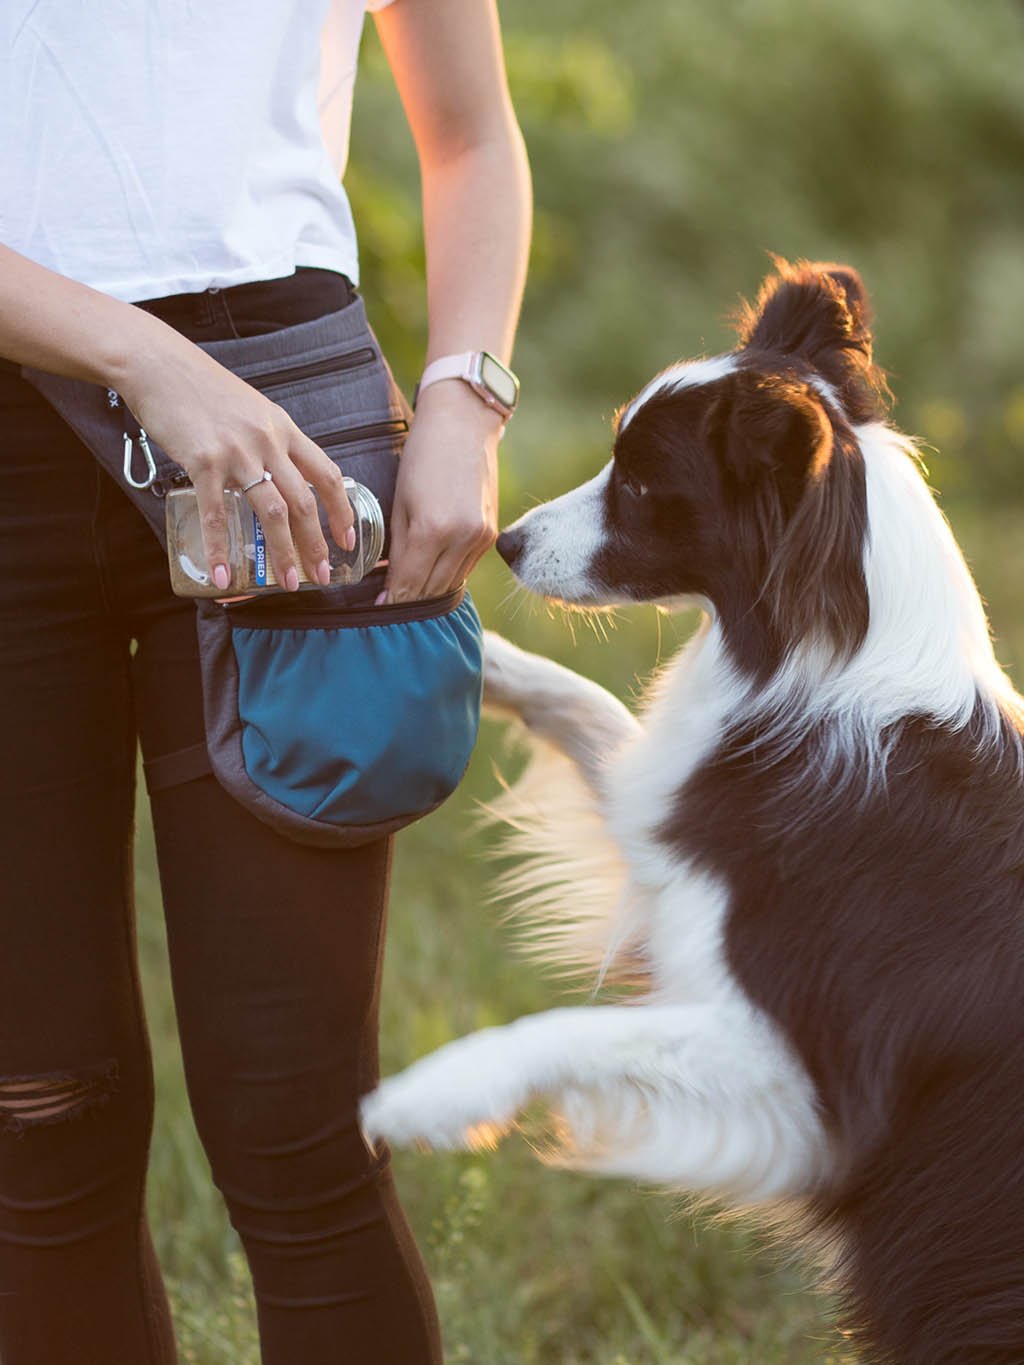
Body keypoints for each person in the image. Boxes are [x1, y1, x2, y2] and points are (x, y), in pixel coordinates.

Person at [0, 1, 531, 1361]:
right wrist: (140, 355)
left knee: (301, 1127)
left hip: (289, 436)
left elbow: (471, 135)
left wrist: (466, 404)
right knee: (37, 1114)